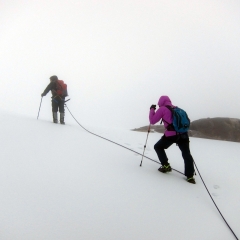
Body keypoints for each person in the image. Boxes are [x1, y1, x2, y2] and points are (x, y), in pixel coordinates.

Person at [149, 95, 196, 184]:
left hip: (171, 135)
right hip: (184, 134)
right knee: (186, 154)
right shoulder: (178, 109)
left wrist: (152, 110)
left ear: (160, 102)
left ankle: (166, 166)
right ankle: (190, 176)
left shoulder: (162, 109)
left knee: (158, 147)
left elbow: (152, 121)